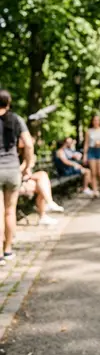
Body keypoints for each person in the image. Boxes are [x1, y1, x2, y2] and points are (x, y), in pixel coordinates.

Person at [0, 90, 34, 266]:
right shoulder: (16, 119)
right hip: (12, 170)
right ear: (9, 102)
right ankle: (7, 250)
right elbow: (28, 144)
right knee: (9, 211)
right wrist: (27, 166)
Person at [83, 114, 100, 199]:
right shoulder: (88, 131)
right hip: (91, 151)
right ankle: (95, 191)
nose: (96, 122)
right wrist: (85, 155)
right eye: (94, 120)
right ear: (92, 121)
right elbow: (86, 143)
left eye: (98, 120)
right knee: (93, 173)